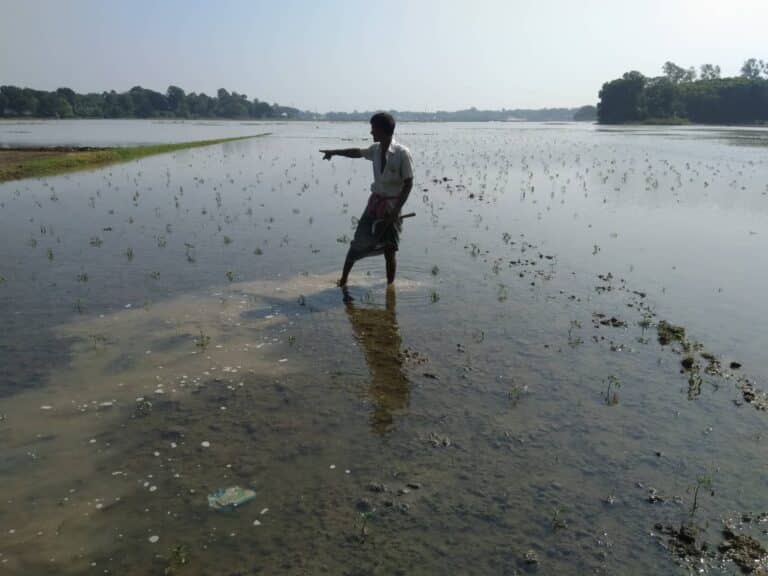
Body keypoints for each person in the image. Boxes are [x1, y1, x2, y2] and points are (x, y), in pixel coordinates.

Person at [320, 112, 413, 288]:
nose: (371, 133)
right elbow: (356, 152)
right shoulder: (375, 150)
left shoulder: (402, 154)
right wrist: (334, 152)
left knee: (390, 249)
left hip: (392, 207)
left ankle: (389, 288)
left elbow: (408, 184)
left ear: (383, 130)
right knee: (358, 242)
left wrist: (395, 212)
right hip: (374, 205)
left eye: (373, 129)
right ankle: (343, 281)